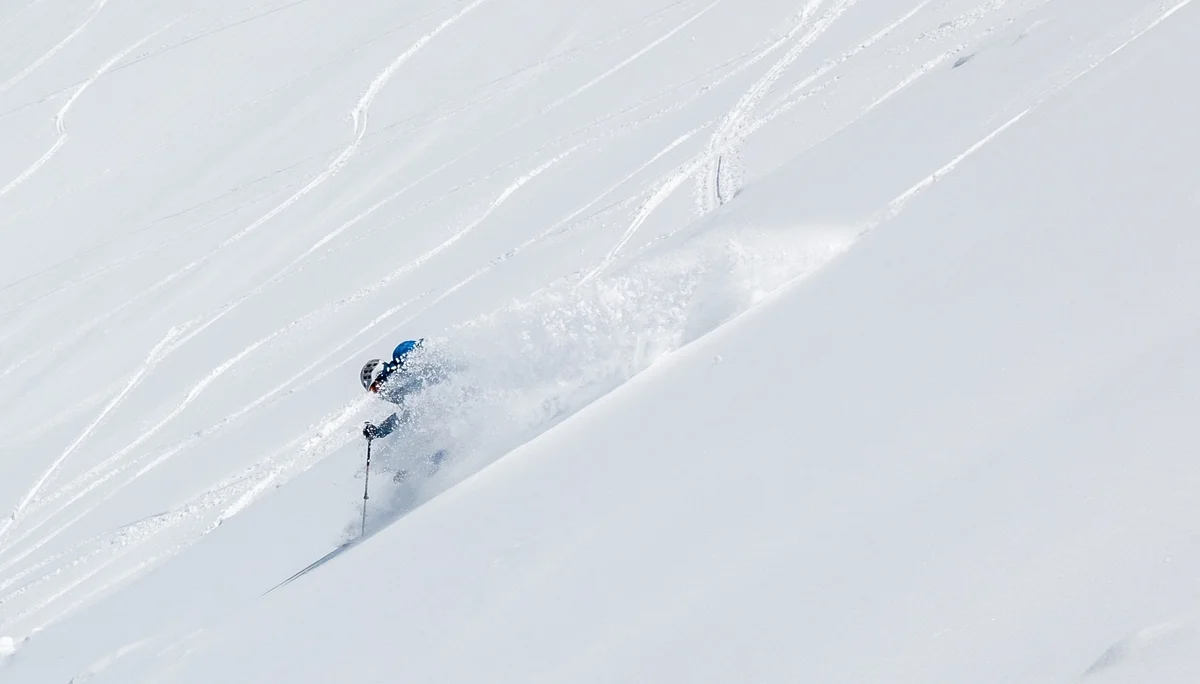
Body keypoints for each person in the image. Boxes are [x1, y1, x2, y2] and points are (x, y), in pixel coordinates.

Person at [360, 339, 425, 441]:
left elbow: (424, 350)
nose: (376, 392)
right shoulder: (395, 393)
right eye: (372, 390)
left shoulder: (400, 357)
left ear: (379, 375)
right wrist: (378, 431)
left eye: (374, 386)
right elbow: (404, 415)